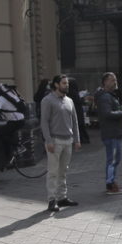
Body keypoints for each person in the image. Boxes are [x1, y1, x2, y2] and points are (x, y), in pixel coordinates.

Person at [40, 75, 82, 212]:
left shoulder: (69, 100)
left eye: (67, 83)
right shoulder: (47, 100)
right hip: (55, 140)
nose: (67, 85)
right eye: (64, 83)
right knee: (53, 171)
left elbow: (74, 121)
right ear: (57, 85)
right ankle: (52, 200)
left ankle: (62, 197)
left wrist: (77, 139)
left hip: (68, 140)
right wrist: (48, 140)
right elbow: (44, 122)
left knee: (63, 170)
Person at [95, 72, 122, 195]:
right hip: (111, 133)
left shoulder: (109, 95)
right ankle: (110, 184)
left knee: (114, 159)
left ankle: (112, 182)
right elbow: (107, 113)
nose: (115, 82)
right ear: (105, 82)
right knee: (113, 159)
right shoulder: (105, 97)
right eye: (112, 80)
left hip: (113, 132)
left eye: (115, 79)